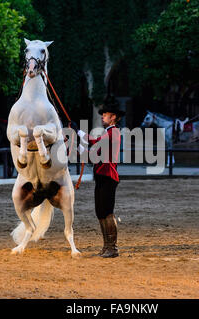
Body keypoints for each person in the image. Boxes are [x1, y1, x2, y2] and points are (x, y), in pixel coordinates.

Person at [71, 95, 124, 258]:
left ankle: (112, 248)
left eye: (106, 114)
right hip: (101, 176)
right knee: (100, 212)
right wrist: (76, 144)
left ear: (113, 117)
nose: (103, 116)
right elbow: (90, 156)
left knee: (107, 211)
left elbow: (94, 142)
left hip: (108, 177)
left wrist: (78, 131)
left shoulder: (113, 133)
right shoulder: (108, 134)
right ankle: (106, 246)